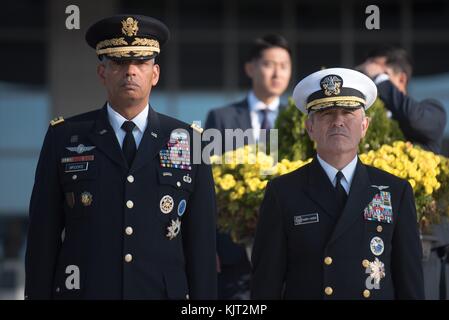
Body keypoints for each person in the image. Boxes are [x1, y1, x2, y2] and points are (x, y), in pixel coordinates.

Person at [24, 14, 217, 300]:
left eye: (141, 63)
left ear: (155, 74)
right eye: (119, 63)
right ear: (102, 73)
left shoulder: (190, 140)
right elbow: (43, 235)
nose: (130, 72)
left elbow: (201, 244)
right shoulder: (64, 138)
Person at [251, 68, 425, 299]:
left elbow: (409, 282)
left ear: (364, 126)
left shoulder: (395, 191)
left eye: (347, 113)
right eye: (327, 114)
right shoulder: (283, 192)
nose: (338, 122)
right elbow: (266, 285)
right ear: (310, 128)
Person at [204, 34, 292, 299]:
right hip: (232, 250)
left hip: (288, 249)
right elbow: (204, 184)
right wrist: (207, 246)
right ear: (250, 68)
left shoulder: (300, 120)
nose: (277, 72)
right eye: (269, 64)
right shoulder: (221, 117)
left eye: (284, 66)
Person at [357, 45, 446, 154]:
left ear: (401, 79)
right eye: (370, 77)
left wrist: (379, 78)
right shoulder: (364, 116)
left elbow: (414, 119)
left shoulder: (432, 110)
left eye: (383, 74)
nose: (373, 83)